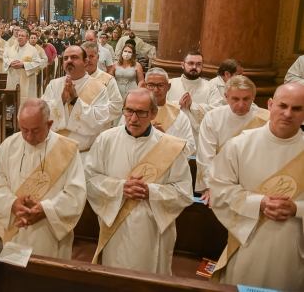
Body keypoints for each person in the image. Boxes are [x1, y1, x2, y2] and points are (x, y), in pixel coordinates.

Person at [85, 88, 192, 275]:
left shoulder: (171, 146)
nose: (133, 119)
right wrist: (121, 188)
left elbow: (184, 192)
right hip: (115, 227)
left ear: (153, 113)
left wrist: (150, 191)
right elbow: (89, 179)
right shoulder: (105, 140)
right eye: (129, 111)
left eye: (141, 112)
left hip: (152, 230)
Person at [209, 83, 304, 291]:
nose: (288, 114)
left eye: (297, 109)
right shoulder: (239, 145)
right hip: (247, 242)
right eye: (283, 106)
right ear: (270, 105)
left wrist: (296, 209)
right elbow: (218, 189)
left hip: (292, 247)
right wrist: (259, 202)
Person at [0, 98, 86, 259]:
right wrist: (12, 204)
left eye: (35, 130)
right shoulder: (9, 146)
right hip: (17, 231)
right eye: (24, 130)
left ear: (49, 124)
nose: (29, 137)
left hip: (50, 234)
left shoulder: (68, 150)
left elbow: (76, 195)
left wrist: (45, 209)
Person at [197, 75, 269, 204]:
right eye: (235, 99)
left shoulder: (265, 119)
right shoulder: (213, 117)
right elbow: (206, 156)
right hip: (219, 179)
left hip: (254, 183)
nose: (241, 105)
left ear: (253, 97)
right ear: (226, 97)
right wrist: (209, 187)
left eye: (246, 99)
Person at [41, 46, 111, 157]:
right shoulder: (54, 85)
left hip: (83, 154)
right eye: (65, 58)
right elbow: (42, 115)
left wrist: (75, 100)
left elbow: (100, 120)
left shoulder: (99, 88)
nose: (69, 60)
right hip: (54, 152)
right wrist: (61, 101)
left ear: (85, 61)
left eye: (74, 57)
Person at [166, 50, 223, 144]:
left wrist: (192, 105)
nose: (194, 67)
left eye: (198, 64)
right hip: (173, 135)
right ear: (182, 65)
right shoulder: (170, 83)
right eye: (190, 63)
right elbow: (159, 107)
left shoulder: (210, 87)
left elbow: (217, 111)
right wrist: (178, 104)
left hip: (199, 138)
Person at [142, 67, 196, 157]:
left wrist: (165, 140)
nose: (155, 90)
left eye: (160, 85)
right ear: (145, 86)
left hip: (168, 166)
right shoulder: (134, 111)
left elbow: (190, 147)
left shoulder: (179, 115)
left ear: (168, 87)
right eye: (151, 85)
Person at [81, 41, 123, 124]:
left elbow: (116, 106)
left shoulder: (108, 80)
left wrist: (91, 114)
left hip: (99, 128)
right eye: (85, 57)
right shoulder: (73, 79)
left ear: (98, 57)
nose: (88, 60)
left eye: (92, 56)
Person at [3, 29, 45, 105]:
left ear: (27, 38)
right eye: (19, 35)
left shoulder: (32, 50)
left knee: (26, 101)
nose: (20, 37)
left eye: (22, 36)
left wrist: (23, 65)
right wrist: (10, 63)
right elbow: (5, 58)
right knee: (13, 102)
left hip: (27, 79)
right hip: (13, 78)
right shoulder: (12, 48)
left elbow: (38, 63)